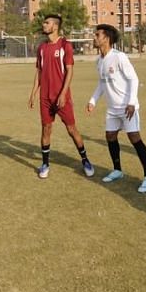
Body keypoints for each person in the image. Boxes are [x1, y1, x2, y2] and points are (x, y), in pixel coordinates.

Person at [86, 24, 146, 193]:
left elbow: (134, 79)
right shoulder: (99, 61)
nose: (94, 38)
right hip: (112, 109)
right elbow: (102, 83)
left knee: (134, 138)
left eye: (97, 35)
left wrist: (131, 102)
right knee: (110, 136)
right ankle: (117, 170)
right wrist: (93, 100)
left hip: (127, 107)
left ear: (106, 38)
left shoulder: (119, 57)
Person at [28, 14, 94, 179]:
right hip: (45, 97)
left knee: (72, 129)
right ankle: (45, 164)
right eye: (44, 22)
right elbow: (39, 71)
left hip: (61, 96)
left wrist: (63, 94)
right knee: (46, 129)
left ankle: (85, 160)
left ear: (55, 26)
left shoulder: (65, 45)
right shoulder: (42, 48)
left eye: (47, 23)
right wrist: (33, 94)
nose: (44, 25)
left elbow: (70, 70)